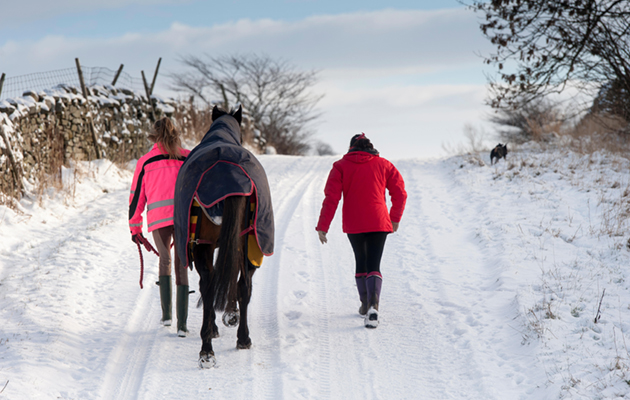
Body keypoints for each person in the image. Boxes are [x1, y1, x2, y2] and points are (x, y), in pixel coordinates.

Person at [316, 133, 407, 328]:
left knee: (361, 260)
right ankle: (374, 305)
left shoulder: (340, 166)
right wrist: (395, 218)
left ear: (351, 148)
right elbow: (400, 192)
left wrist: (323, 226)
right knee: (374, 262)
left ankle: (365, 304)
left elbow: (331, 198)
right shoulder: (384, 164)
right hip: (379, 221)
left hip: (354, 223)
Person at [129, 117, 191, 337]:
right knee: (181, 262)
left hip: (158, 219)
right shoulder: (187, 157)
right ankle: (182, 325)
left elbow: (137, 198)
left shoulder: (145, 161)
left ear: (154, 136)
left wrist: (135, 227)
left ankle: (166, 316)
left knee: (164, 259)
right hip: (183, 218)